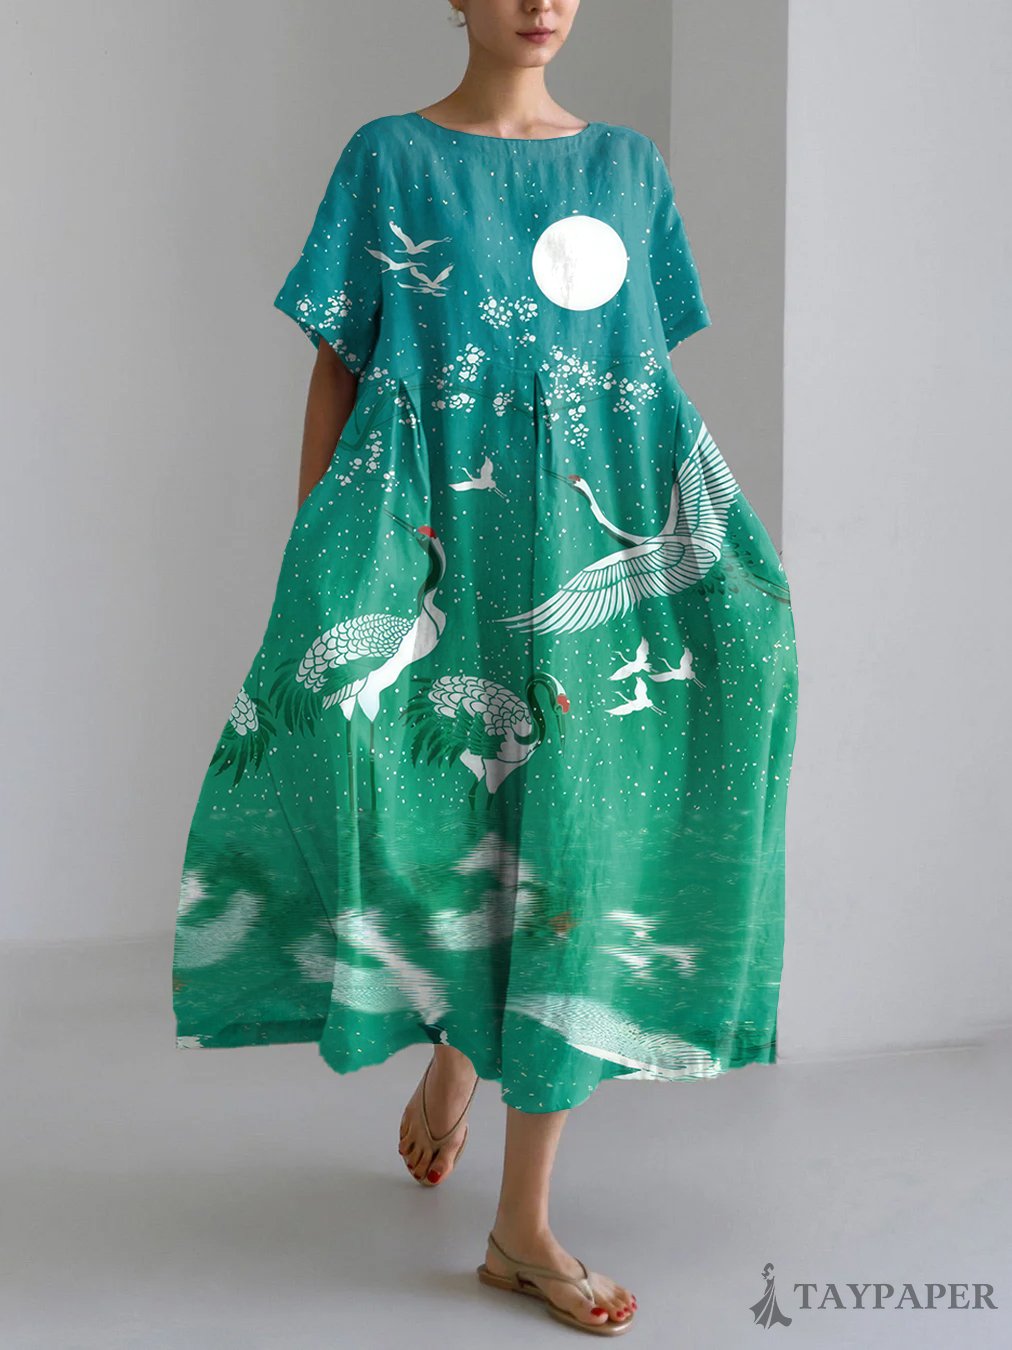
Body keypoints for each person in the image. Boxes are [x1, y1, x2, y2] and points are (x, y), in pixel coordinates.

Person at [172, 0, 799, 1336]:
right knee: (422, 803)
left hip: (578, 555)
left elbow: (638, 384)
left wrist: (717, 556)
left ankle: (523, 1223)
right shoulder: (390, 158)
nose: (541, 1)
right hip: (431, 540)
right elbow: (337, 368)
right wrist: (319, 550)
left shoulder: (627, 168)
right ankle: (461, 1035)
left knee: (570, 848)